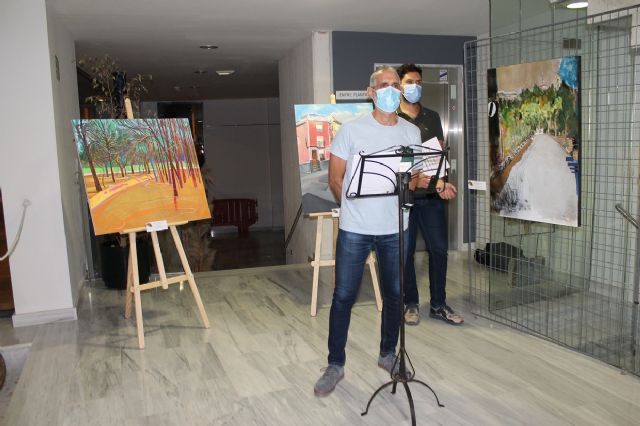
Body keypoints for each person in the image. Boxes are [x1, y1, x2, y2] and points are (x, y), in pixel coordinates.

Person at [314, 67, 421, 397]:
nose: (391, 90)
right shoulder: (351, 130)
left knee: (394, 295)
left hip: (395, 228)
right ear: (371, 92)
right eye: (384, 85)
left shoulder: (412, 132)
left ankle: (388, 355)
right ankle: (335, 364)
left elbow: (414, 178)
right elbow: (335, 179)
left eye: (395, 85)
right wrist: (352, 209)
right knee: (344, 296)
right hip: (355, 229)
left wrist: (421, 181)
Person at [397, 63, 463, 326]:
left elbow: (438, 155)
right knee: (406, 253)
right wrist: (412, 177)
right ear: (400, 86)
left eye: (419, 82)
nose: (415, 87)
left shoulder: (432, 117)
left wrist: (442, 182)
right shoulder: (392, 119)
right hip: (405, 198)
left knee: (439, 250)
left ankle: (438, 304)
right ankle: (410, 304)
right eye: (410, 82)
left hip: (431, 198)